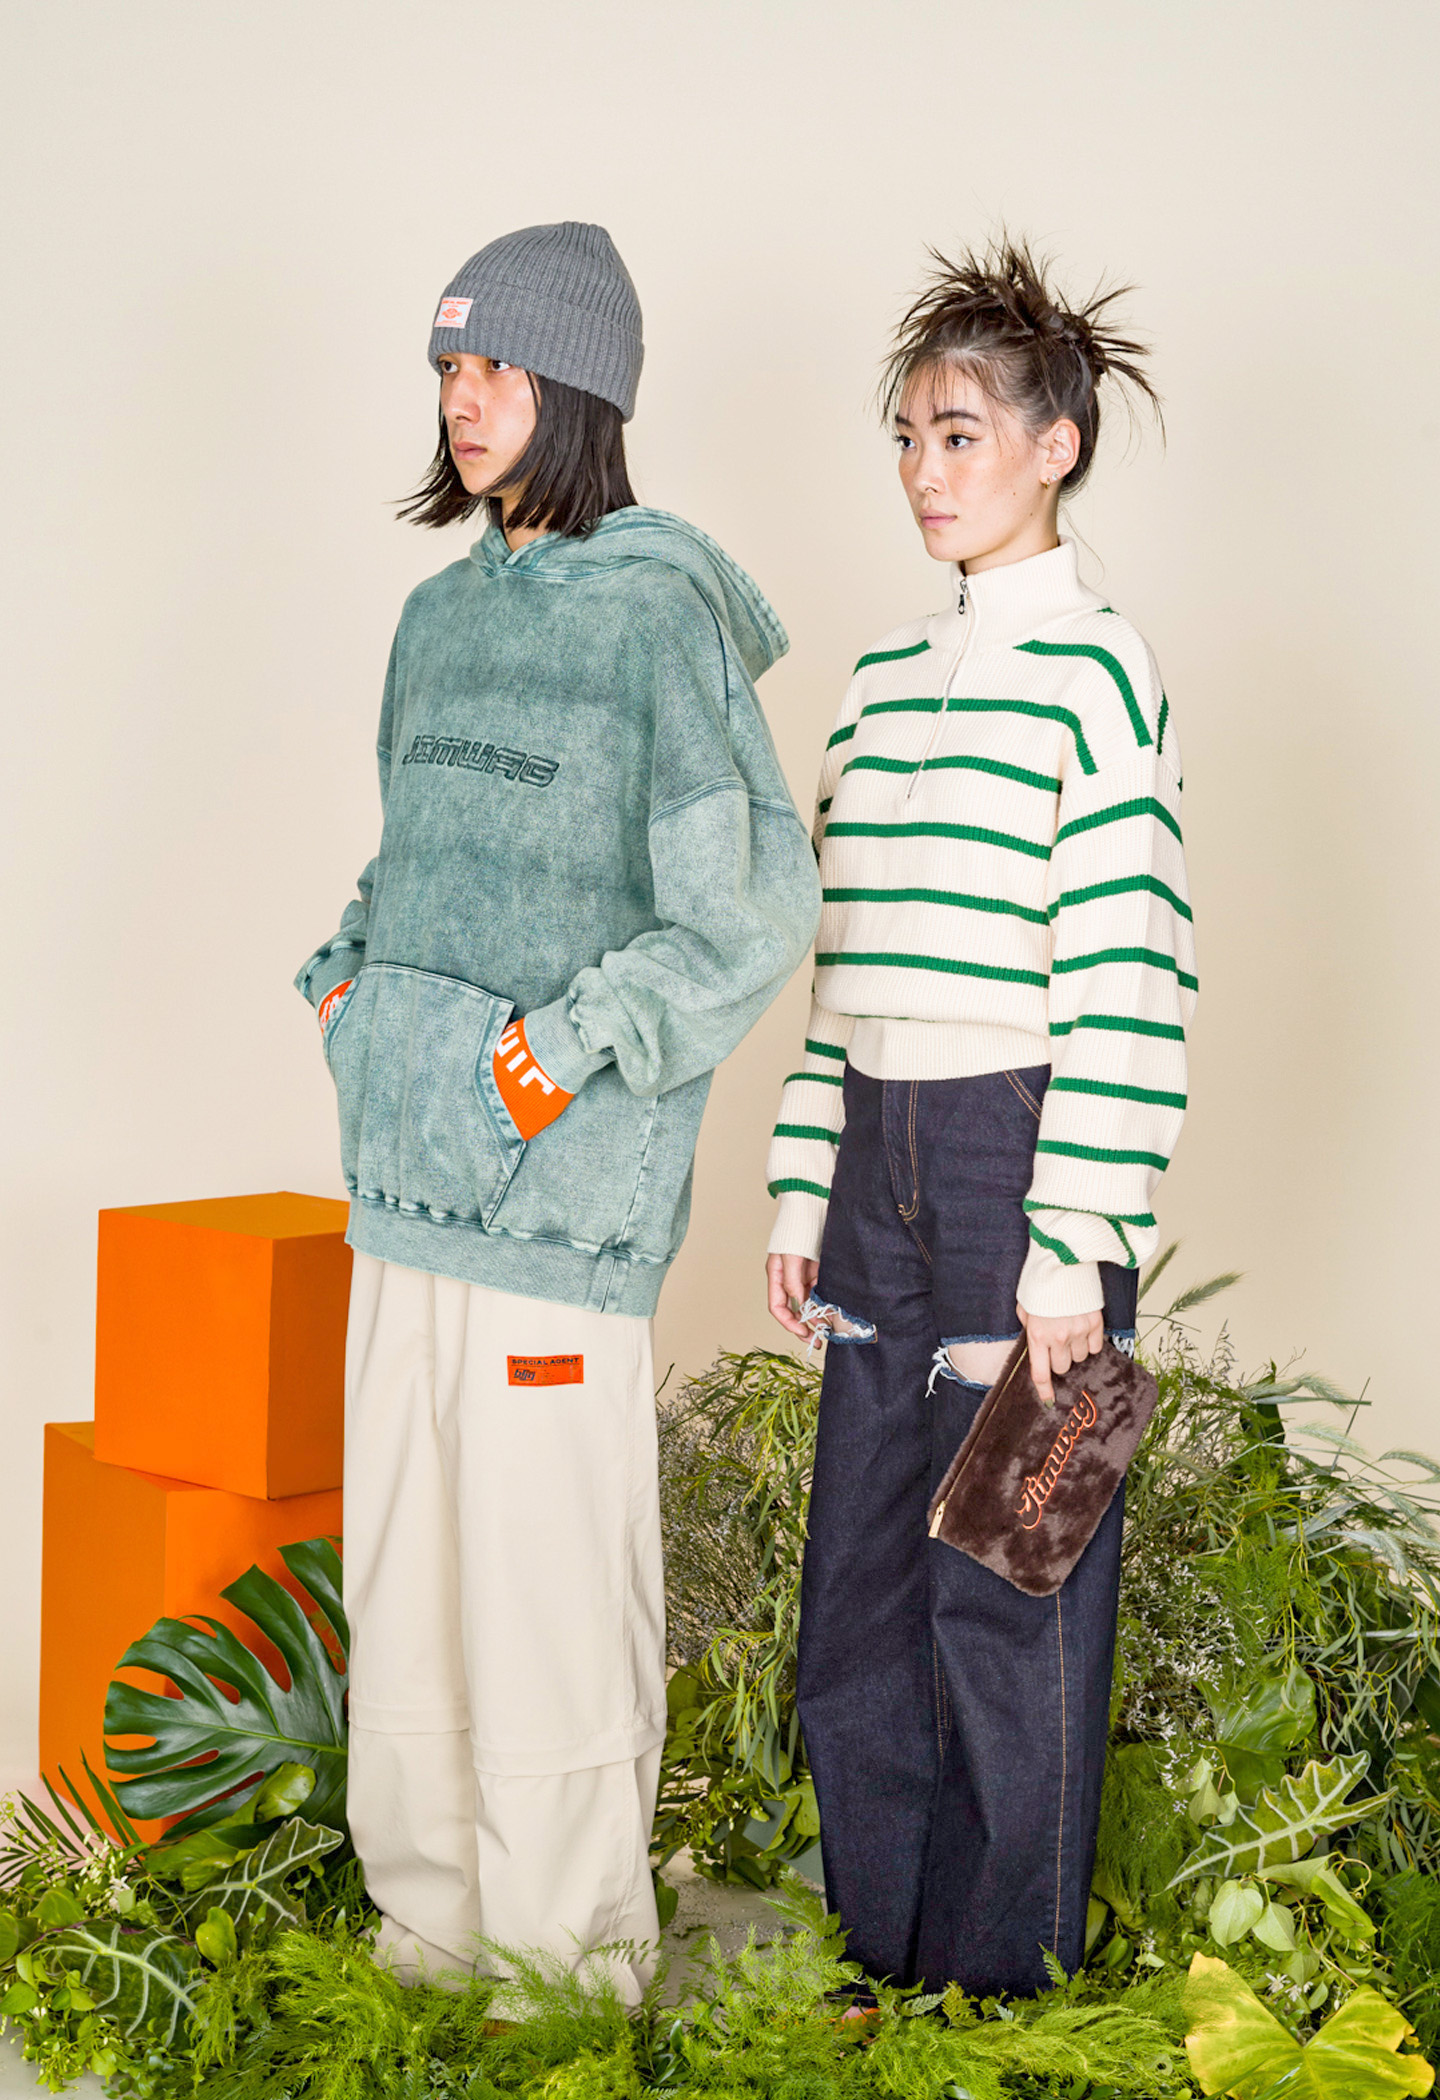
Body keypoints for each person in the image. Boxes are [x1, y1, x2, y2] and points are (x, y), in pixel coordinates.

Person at [297, 221, 820, 1999]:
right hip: (404, 1187)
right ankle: (433, 1944)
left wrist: (559, 1049)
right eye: (450, 369)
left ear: (580, 387)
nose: (466, 401)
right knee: (413, 1591)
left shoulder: (656, 618)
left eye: (501, 369)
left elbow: (747, 911)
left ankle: (565, 1975)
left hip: (558, 1205)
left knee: (542, 1600)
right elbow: (414, 862)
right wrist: (348, 983)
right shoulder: (435, 620)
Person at [764, 240, 1195, 1997]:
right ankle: (882, 1958)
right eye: (907, 440)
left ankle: (1006, 1992)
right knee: (859, 1592)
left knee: (1010, 1591)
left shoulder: (1102, 675)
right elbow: (838, 966)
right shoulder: (876, 683)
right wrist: (799, 1189)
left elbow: (1131, 969)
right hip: (875, 1152)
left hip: (1023, 1152)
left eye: (958, 436)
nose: (924, 474)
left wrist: (1075, 1234)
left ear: (1053, 446)